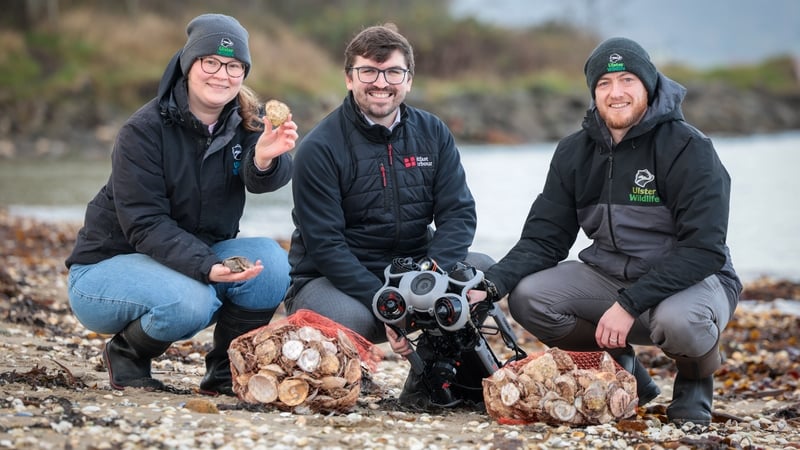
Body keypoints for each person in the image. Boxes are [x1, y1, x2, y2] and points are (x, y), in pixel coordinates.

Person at [473, 37, 742, 426]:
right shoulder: (573, 152)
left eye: (627, 80)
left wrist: (629, 304)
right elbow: (544, 239)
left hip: (694, 280)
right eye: (604, 84)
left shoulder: (689, 148)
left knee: (680, 323)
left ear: (648, 85)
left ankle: (695, 383)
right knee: (530, 298)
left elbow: (704, 250)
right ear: (593, 92)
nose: (616, 93)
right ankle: (621, 370)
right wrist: (491, 285)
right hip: (610, 274)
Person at [65, 13, 297, 395]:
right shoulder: (142, 131)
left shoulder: (244, 123)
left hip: (185, 259)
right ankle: (126, 354)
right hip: (104, 271)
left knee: (271, 265)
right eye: (211, 62)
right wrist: (207, 266)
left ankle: (225, 372)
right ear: (189, 64)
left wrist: (264, 159)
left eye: (234, 65)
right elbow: (144, 224)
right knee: (192, 300)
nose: (222, 74)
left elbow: (262, 179)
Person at [284, 23, 495, 408]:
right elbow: (326, 244)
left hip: (416, 269)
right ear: (349, 78)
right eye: (368, 72)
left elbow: (459, 214)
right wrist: (386, 303)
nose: (381, 83)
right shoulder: (319, 148)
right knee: (345, 319)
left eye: (393, 72)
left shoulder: (433, 132)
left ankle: (427, 383)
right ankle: (340, 376)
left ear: (408, 80)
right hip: (334, 281)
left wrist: (431, 275)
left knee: (480, 271)